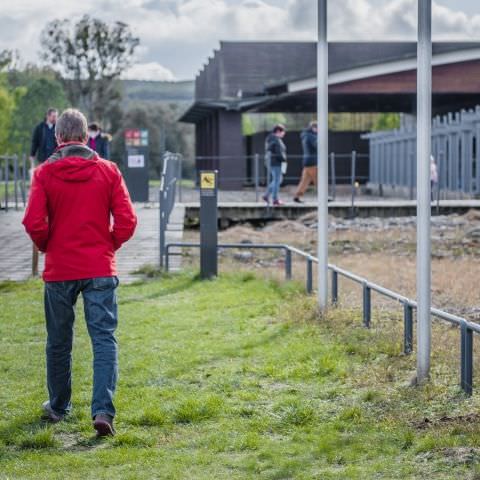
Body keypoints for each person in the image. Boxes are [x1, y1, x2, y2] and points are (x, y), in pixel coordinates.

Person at [22, 109, 137, 437]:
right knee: (103, 339)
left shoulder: (44, 174)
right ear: (87, 138)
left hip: (60, 269)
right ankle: (102, 410)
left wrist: (47, 247)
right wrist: (108, 246)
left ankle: (58, 406)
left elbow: (33, 222)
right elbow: (127, 222)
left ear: (57, 138)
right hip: (99, 266)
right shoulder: (109, 171)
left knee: (58, 340)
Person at [262, 124, 287, 206]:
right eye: (283, 132)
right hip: (276, 162)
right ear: (278, 131)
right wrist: (284, 159)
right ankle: (275, 199)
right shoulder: (276, 140)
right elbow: (278, 152)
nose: (284, 134)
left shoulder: (270, 139)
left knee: (277, 180)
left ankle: (266, 195)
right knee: (277, 180)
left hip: (272, 162)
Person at [293, 121, 318, 203]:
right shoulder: (311, 136)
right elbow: (317, 145)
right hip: (312, 161)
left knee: (305, 180)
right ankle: (324, 196)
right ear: (314, 128)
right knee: (319, 179)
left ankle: (297, 196)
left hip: (307, 161)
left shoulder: (305, 135)